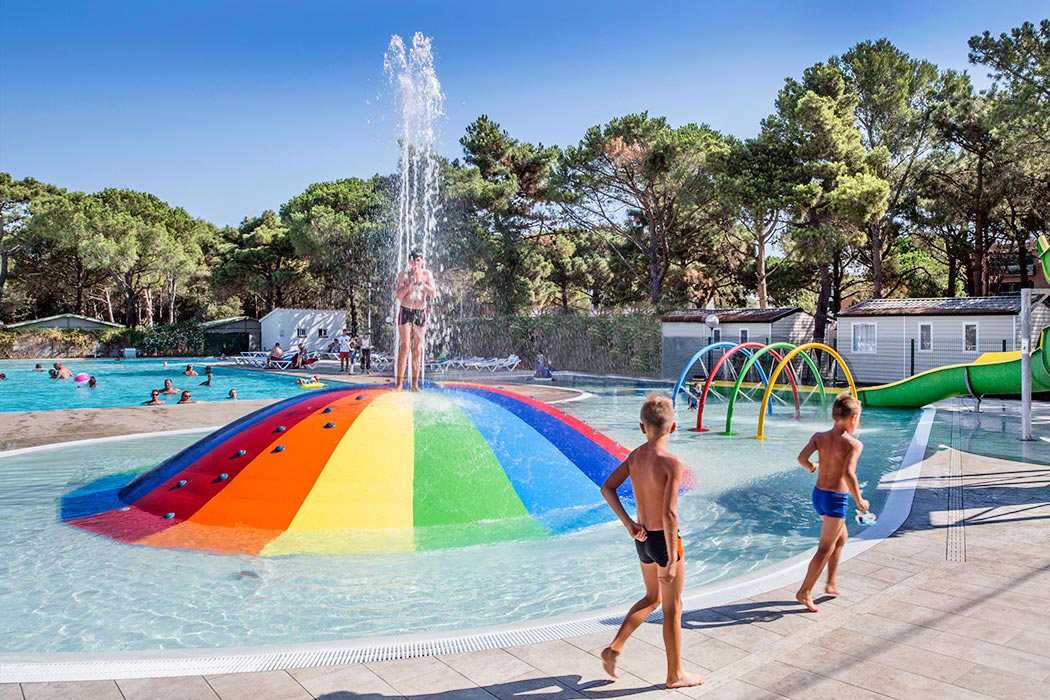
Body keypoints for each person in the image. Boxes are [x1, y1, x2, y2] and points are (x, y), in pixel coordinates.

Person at [598, 393, 704, 689]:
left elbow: (607, 488)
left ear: (642, 427)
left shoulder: (635, 456)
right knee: (672, 608)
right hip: (664, 542)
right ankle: (675, 675)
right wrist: (671, 560)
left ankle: (615, 647)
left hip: (642, 539)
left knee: (652, 598)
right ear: (673, 428)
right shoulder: (672, 463)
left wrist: (629, 524)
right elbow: (669, 514)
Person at [794, 393, 868, 613]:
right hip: (835, 500)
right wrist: (860, 500)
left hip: (819, 496)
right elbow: (848, 474)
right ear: (853, 418)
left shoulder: (820, 437)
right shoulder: (853, 444)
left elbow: (801, 459)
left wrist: (811, 467)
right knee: (825, 548)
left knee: (841, 538)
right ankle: (805, 591)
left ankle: (831, 582)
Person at [394, 249, 436, 390]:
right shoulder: (403, 274)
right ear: (409, 261)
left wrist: (422, 284)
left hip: (420, 311)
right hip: (405, 310)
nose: (415, 263)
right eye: (413, 260)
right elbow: (398, 295)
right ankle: (399, 384)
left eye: (418, 260)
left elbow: (433, 294)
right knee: (405, 346)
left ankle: (415, 384)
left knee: (417, 348)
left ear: (422, 261)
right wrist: (410, 284)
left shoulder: (426, 274)